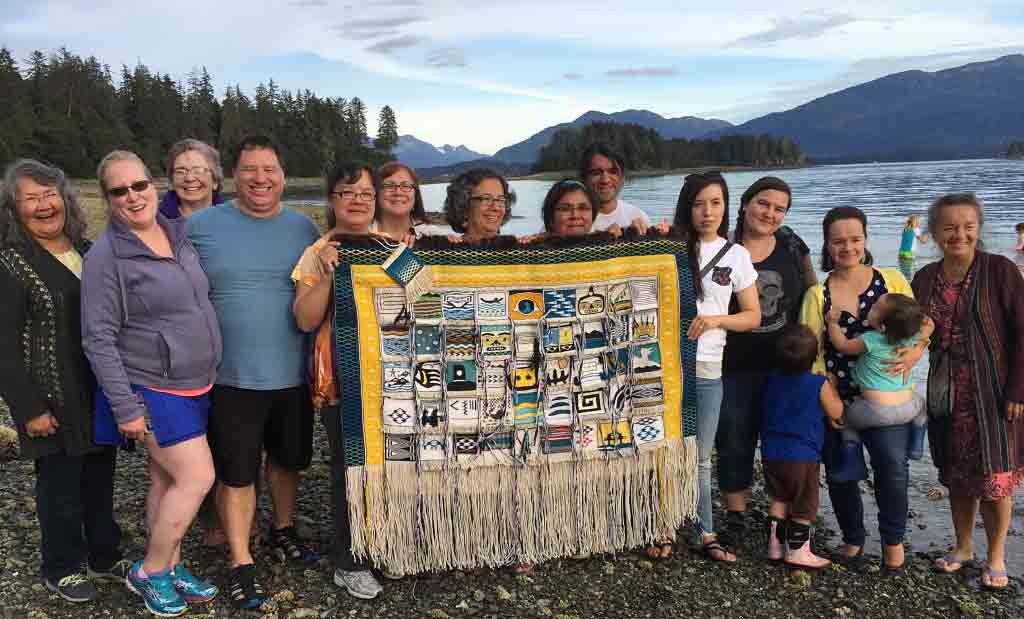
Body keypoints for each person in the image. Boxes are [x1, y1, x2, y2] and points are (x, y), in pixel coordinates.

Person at [82, 150, 220, 617]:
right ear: (108, 199)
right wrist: (125, 407)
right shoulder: (106, 256)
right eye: (119, 191)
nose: (133, 196)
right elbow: (97, 337)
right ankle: (151, 570)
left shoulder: (175, 233)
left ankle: (173, 565)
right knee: (198, 476)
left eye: (139, 185)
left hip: (196, 380)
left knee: (165, 481)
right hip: (151, 386)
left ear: (152, 185)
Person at [187, 135, 321, 610]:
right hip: (229, 376)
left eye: (269, 169)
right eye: (249, 169)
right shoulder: (199, 227)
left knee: (287, 461)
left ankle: (282, 528)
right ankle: (241, 561)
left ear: (283, 176)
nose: (260, 178)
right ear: (233, 176)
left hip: (292, 373)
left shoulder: (306, 230)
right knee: (236, 471)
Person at [0, 159, 128, 603]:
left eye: (49, 194)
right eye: (30, 198)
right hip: (50, 394)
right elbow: (2, 345)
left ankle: (103, 552)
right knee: (59, 484)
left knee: (99, 474)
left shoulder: (88, 249)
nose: (43, 205)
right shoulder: (11, 264)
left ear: (65, 198)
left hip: (96, 390)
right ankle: (61, 565)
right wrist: (29, 408)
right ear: (14, 209)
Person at [799, 206, 928, 572]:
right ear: (827, 244)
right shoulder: (817, 294)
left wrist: (917, 352)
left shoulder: (892, 283)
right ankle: (853, 538)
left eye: (855, 239)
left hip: (887, 399)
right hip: (839, 401)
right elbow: (812, 353)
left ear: (865, 239)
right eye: (839, 241)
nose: (848, 247)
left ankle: (893, 543)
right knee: (841, 472)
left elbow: (920, 326)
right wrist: (829, 399)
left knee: (892, 468)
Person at [912, 193, 1024, 590]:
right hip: (947, 392)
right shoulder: (925, 278)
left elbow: (1021, 333)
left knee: (996, 479)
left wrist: (1018, 390)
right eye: (949, 227)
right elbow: (913, 331)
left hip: (995, 393)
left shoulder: (1001, 271)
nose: (959, 234)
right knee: (957, 476)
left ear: (978, 229)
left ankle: (996, 555)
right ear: (936, 232)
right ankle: (962, 548)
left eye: (967, 226)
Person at [649, 171, 760, 562]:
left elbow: (752, 316)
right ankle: (662, 527)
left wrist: (716, 320)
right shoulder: (668, 247)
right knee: (664, 450)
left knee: (699, 454)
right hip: (665, 366)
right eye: (698, 204)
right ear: (687, 208)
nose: (707, 211)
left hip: (709, 365)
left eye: (715, 202)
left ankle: (705, 529)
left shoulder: (737, 255)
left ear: (727, 206)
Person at [292, 163, 387, 599]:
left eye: (366, 193)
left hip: (391, 378)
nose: (358, 200)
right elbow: (305, 318)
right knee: (349, 470)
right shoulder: (318, 251)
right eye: (348, 193)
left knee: (391, 467)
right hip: (342, 382)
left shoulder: (390, 247)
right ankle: (350, 560)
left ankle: (386, 548)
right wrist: (331, 275)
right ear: (333, 200)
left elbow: (424, 291)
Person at [716, 176, 817, 546]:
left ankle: (783, 517)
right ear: (744, 203)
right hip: (733, 365)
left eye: (779, 208)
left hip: (785, 367)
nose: (770, 213)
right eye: (763, 203)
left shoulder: (791, 245)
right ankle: (737, 514)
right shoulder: (720, 246)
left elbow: (813, 297)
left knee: (784, 443)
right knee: (733, 440)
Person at [761, 325, 844, 568]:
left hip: (771, 452)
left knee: (779, 497)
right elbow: (836, 412)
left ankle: (774, 546)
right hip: (802, 455)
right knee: (803, 504)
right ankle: (797, 551)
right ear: (815, 356)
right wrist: (834, 388)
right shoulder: (817, 383)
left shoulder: (772, 378)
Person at [825, 293, 931, 470]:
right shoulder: (911, 337)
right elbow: (928, 322)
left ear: (882, 327)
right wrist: (919, 342)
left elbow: (842, 345)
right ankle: (917, 441)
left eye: (875, 307)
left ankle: (853, 460)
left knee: (844, 421)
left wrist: (833, 323)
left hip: (875, 409)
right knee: (923, 406)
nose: (871, 305)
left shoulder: (871, 340)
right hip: (908, 408)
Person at [578, 142, 650, 234]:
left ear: (622, 178)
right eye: (596, 173)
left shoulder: (639, 217)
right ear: (583, 178)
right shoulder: (574, 222)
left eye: (613, 172)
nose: (605, 180)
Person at [371, 161, 448, 240]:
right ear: (376, 192)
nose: (398, 192)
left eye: (405, 185)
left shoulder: (437, 236)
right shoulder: (361, 236)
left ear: (415, 193)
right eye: (389, 185)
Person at [443, 168, 516, 242]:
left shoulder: (519, 250)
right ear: (463, 207)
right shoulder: (444, 251)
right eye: (486, 199)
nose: (496, 207)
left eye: (501, 200)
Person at [159, 139, 225, 219]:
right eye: (180, 171)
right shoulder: (156, 222)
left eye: (198, 170)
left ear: (215, 181)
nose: (189, 178)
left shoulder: (234, 220)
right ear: (172, 182)